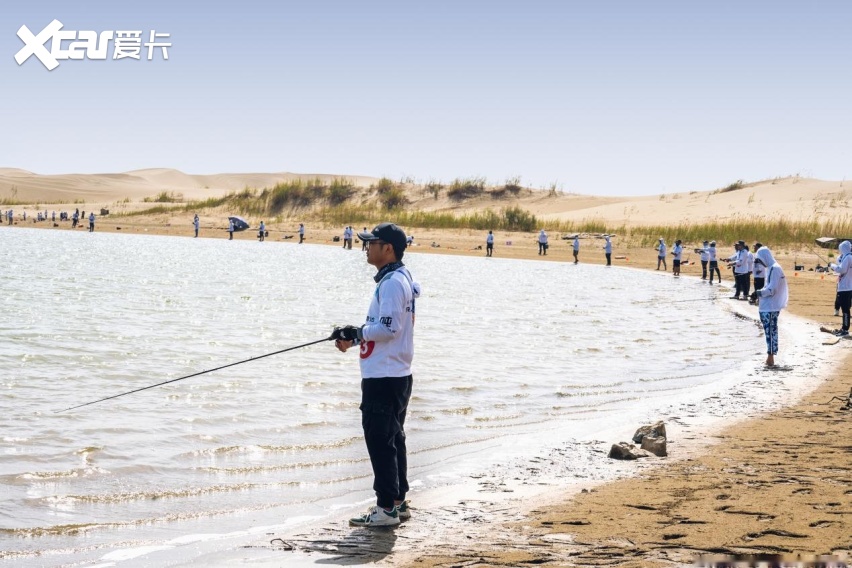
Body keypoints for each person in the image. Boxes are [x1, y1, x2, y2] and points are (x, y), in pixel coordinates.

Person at [332, 222, 421, 528]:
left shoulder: (393, 282)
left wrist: (358, 331)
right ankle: (397, 502)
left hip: (385, 377)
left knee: (381, 442)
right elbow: (384, 326)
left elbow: (389, 328)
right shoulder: (399, 277)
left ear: (388, 249)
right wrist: (354, 337)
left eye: (372, 243)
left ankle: (385, 509)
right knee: (393, 438)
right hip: (394, 373)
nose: (366, 247)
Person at [754, 246, 788, 367]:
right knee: (768, 332)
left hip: (771, 307)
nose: (760, 263)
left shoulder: (775, 269)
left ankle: (770, 358)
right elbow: (767, 287)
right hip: (766, 306)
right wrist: (758, 293)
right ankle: (770, 357)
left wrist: (759, 293)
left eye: (760, 260)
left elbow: (772, 290)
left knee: (771, 331)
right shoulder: (770, 268)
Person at [829, 240, 852, 336]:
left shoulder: (848, 257)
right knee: (846, 309)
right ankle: (844, 328)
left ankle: (845, 329)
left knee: (845, 310)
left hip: (844, 288)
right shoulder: (848, 257)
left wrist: (832, 266)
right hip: (848, 286)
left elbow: (841, 269)